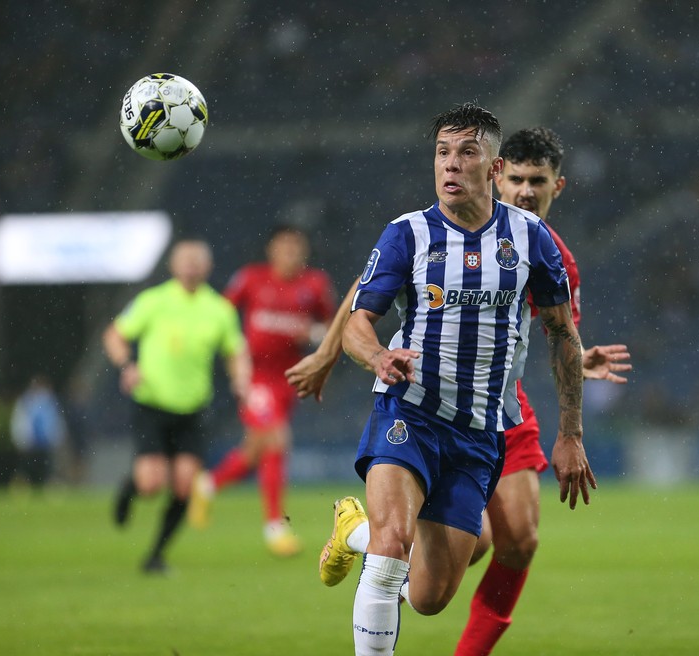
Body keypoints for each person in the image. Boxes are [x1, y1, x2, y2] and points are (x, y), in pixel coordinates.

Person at [310, 102, 593, 656]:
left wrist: (571, 431)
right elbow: (358, 324)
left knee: (429, 596)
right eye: (442, 153)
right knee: (392, 549)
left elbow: (562, 337)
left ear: (491, 168)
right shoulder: (406, 234)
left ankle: (353, 532)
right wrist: (376, 358)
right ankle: (375, 544)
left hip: (480, 433)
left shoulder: (532, 241)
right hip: (408, 411)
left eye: (466, 153)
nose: (451, 165)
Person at [455, 127, 631, 655]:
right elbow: (372, 283)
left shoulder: (556, 259)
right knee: (472, 543)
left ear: (559, 185)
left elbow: (559, 336)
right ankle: (373, 538)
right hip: (437, 401)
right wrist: (335, 353)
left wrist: (577, 357)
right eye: (516, 178)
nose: (526, 190)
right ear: (496, 177)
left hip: (505, 406)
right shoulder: (453, 226)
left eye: (538, 180)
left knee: (520, 541)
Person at [103, 239, 250, 574]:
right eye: (185, 259)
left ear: (208, 267)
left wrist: (241, 380)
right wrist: (127, 366)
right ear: (173, 265)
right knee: (152, 483)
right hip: (152, 404)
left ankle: (155, 555)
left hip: (193, 409)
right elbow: (114, 335)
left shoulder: (219, 309)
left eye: (198, 259)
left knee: (185, 485)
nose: (191, 265)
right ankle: (131, 488)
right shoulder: (153, 301)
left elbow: (236, 351)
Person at [188, 225, 336, 557]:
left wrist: (311, 333)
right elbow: (220, 314)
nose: (290, 253)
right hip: (254, 377)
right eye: (283, 247)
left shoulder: (314, 285)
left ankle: (208, 484)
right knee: (276, 439)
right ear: (271, 250)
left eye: (296, 248)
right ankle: (274, 526)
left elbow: (330, 328)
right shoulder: (251, 279)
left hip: (290, 378)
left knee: (257, 451)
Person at [9, 375, 68, 491]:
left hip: (46, 440)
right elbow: (20, 419)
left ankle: (50, 485)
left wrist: (57, 436)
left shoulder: (49, 401)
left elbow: (54, 420)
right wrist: (20, 437)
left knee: (48, 465)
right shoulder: (26, 401)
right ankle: (22, 486)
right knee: (27, 465)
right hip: (30, 440)